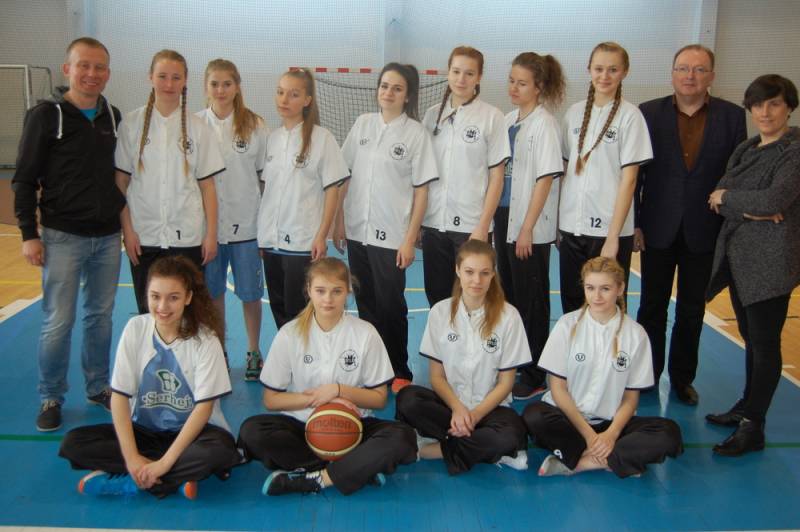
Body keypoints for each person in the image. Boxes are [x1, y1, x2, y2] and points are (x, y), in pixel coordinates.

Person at [58, 256, 241, 498]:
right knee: (73, 442)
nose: (162, 306)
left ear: (188, 298)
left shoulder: (205, 340)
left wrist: (164, 463)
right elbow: (119, 397)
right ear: (146, 295)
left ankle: (133, 482)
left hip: (193, 434)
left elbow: (203, 409)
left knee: (221, 452)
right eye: (155, 296)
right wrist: (132, 458)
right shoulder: (136, 329)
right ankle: (175, 478)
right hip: (144, 431)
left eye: (173, 297)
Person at [12, 37, 124, 432]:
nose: (92, 74)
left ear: (108, 73)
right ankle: (51, 396)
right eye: (84, 66)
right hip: (62, 237)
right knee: (58, 321)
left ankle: (98, 387)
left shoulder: (113, 117)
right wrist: (29, 233)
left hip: (107, 238)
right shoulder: (46, 115)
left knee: (100, 318)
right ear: (67, 69)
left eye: (99, 67)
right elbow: (24, 178)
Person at [238, 258, 417, 496]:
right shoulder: (290, 334)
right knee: (251, 431)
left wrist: (338, 390)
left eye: (337, 291)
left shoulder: (365, 333)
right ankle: (359, 468)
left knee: (403, 437)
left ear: (348, 292)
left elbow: (379, 399)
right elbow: (271, 400)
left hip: (354, 425)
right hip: (302, 425)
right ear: (309, 290)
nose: (328, 299)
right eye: (320, 291)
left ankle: (318, 478)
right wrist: (320, 400)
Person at [635, 44, 747, 405]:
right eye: (683, 68)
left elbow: (736, 173)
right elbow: (635, 175)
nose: (690, 76)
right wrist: (635, 223)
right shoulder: (648, 113)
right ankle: (647, 374)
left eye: (699, 69)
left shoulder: (732, 117)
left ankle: (682, 379)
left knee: (692, 310)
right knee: (651, 306)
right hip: (657, 227)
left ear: (711, 76)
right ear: (672, 73)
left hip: (705, 229)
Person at [705, 75, 800, 456]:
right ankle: (747, 405)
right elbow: (716, 196)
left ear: (789, 107)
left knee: (764, 342)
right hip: (740, 258)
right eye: (758, 104)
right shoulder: (747, 148)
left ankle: (753, 426)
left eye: (774, 103)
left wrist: (733, 200)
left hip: (771, 262)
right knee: (751, 337)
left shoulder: (794, 152)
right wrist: (748, 208)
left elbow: (774, 200)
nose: (765, 112)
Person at [523, 257, 683, 477]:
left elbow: (630, 398)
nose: (596, 296)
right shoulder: (567, 325)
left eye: (605, 289)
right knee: (534, 416)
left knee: (669, 433)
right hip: (570, 419)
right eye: (590, 288)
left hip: (611, 423)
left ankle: (581, 462)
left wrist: (611, 434)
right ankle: (618, 459)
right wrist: (590, 436)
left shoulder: (636, 335)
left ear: (620, 289)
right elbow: (557, 388)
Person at [335, 62, 438, 393]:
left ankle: (399, 368)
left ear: (407, 95)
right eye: (384, 86)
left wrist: (409, 239)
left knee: (391, 304)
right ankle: (372, 366)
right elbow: (344, 175)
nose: (388, 93)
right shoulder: (363, 124)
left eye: (397, 88)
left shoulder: (416, 134)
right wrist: (339, 220)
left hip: (392, 235)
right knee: (365, 302)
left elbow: (422, 191)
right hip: (357, 231)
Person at [395, 240, 532, 474]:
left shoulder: (509, 316)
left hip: (490, 409)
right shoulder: (440, 312)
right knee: (408, 400)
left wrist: (474, 415)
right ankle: (485, 449)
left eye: (484, 273)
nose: (476, 280)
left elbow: (506, 383)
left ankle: (432, 450)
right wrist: (458, 409)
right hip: (451, 405)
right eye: (469, 272)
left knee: (511, 435)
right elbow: (436, 377)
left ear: (493, 274)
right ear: (458, 270)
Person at [115, 49, 224, 314]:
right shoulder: (131, 124)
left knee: (188, 314)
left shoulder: (199, 127)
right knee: (150, 313)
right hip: (144, 236)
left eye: (176, 77)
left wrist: (211, 235)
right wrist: (127, 231)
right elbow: (121, 182)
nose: (169, 84)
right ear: (150, 77)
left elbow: (208, 186)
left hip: (188, 238)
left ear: (185, 81)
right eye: (162, 76)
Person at [559, 42, 652, 314]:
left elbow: (629, 180)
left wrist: (613, 238)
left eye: (613, 69)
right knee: (572, 306)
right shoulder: (574, 113)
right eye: (599, 69)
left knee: (608, 308)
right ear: (589, 69)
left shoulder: (630, 116)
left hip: (609, 233)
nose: (604, 76)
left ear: (624, 72)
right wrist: (558, 224)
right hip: (572, 227)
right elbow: (565, 170)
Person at [257, 68, 349, 329]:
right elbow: (268, 191)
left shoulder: (322, 138)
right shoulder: (272, 139)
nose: (284, 99)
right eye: (280, 92)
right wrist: (263, 234)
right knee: (278, 308)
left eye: (294, 94)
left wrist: (322, 235)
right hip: (271, 242)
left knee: (299, 313)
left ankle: (306, 356)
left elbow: (333, 190)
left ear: (307, 100)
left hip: (301, 242)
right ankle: (288, 355)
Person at [498, 52, 566, 400]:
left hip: (529, 227)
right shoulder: (509, 120)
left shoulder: (546, 124)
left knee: (532, 301)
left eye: (522, 83)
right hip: (504, 218)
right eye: (511, 80)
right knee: (510, 297)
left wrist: (527, 227)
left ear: (538, 87)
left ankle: (536, 372)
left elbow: (545, 179)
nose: (514, 87)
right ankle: (516, 361)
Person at [421, 46, 510, 306]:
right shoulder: (432, 115)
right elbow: (422, 175)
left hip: (471, 226)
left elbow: (497, 177)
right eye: (456, 71)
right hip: (433, 222)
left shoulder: (492, 117)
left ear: (479, 77)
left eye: (469, 73)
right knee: (437, 298)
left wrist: (482, 225)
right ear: (448, 73)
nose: (461, 79)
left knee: (473, 299)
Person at [197, 59, 269, 380]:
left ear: (237, 86)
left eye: (227, 83)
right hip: (208, 229)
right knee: (213, 294)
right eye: (214, 84)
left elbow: (265, 179)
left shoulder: (255, 125)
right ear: (206, 87)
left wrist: (266, 228)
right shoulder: (195, 124)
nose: (221, 90)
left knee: (251, 294)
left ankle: (253, 351)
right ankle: (219, 352)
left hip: (248, 227)